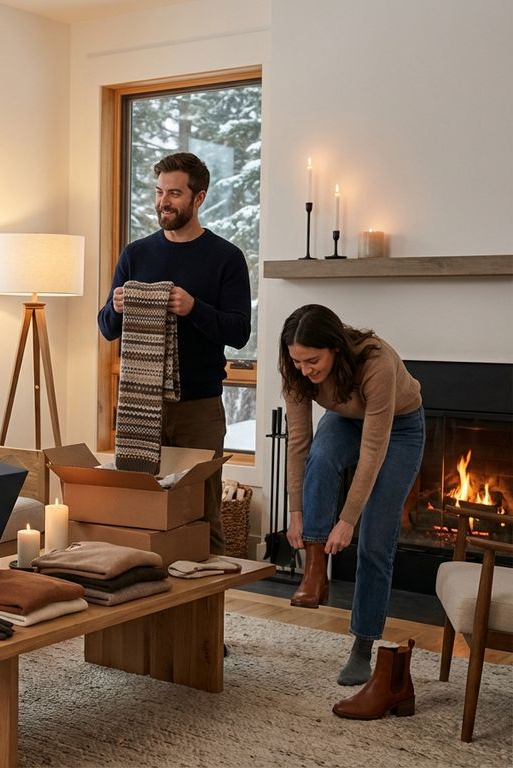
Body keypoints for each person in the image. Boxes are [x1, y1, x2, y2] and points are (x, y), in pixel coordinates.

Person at [98, 152, 251, 554]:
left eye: (174, 193)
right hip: (139, 405)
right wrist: (116, 308)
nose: (163, 202)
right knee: (140, 507)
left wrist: (194, 308)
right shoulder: (135, 255)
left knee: (203, 511)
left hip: (199, 407)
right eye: (159, 192)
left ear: (199, 198)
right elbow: (107, 328)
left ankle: (214, 588)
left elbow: (239, 332)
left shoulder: (226, 258)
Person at [279, 304, 424, 687]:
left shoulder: (377, 362)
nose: (305, 371)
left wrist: (347, 520)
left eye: (313, 361)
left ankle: (362, 647)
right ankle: (315, 572)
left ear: (336, 348)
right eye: (297, 362)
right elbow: (298, 442)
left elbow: (373, 450)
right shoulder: (295, 367)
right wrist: (296, 512)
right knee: (322, 457)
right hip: (345, 420)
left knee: (375, 539)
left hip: (400, 428)